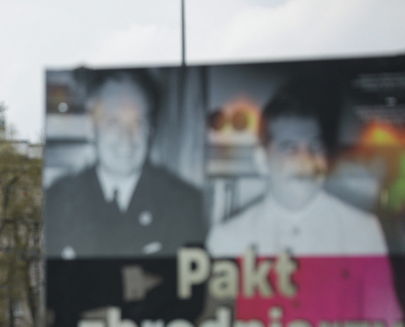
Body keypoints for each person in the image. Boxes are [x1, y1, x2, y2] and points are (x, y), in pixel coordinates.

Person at [206, 86, 387, 257]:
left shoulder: (364, 232)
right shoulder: (227, 239)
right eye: (290, 149)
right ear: (262, 160)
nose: (305, 161)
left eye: (315, 147)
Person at [44, 70, 206, 259]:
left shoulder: (184, 204)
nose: (126, 138)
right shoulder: (56, 202)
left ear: (150, 130)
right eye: (113, 122)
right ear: (91, 128)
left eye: (137, 122)